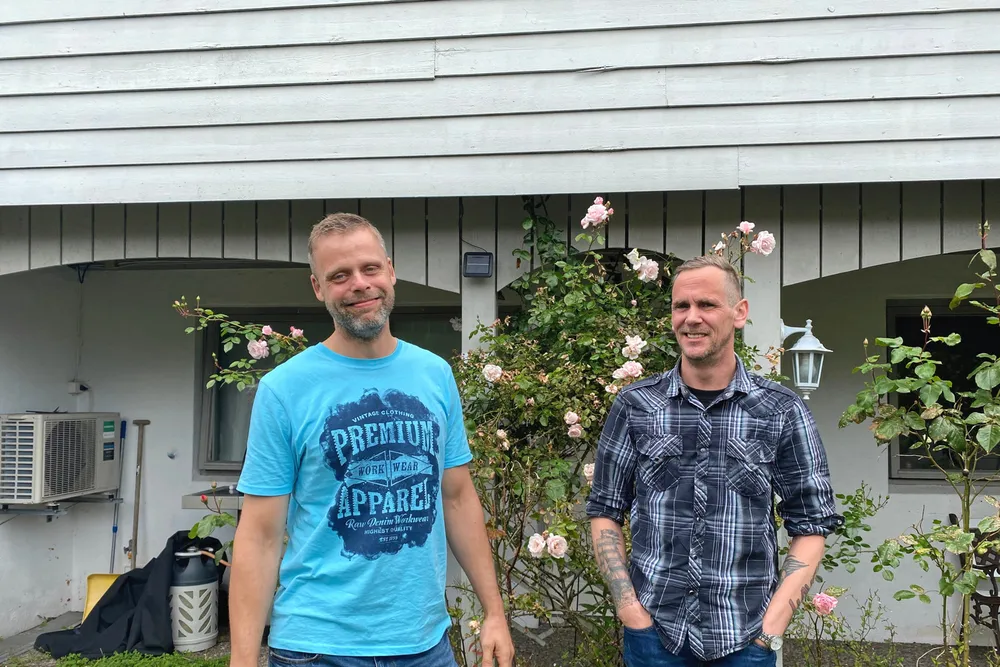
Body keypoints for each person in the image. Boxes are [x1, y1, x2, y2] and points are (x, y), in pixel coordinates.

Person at [228, 213, 515, 667]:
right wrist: (242, 660)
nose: (359, 284)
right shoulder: (284, 389)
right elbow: (260, 535)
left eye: (369, 268)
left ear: (391, 271)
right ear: (318, 288)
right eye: (339, 275)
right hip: (317, 647)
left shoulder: (434, 374)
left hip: (425, 643)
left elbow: (457, 497)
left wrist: (494, 611)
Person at [586, 253, 842, 667]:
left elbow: (811, 524)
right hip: (655, 638)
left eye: (706, 304)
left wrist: (771, 630)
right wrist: (630, 611)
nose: (692, 318)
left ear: (739, 313)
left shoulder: (781, 410)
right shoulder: (636, 406)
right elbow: (605, 510)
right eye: (681, 306)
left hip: (745, 640)